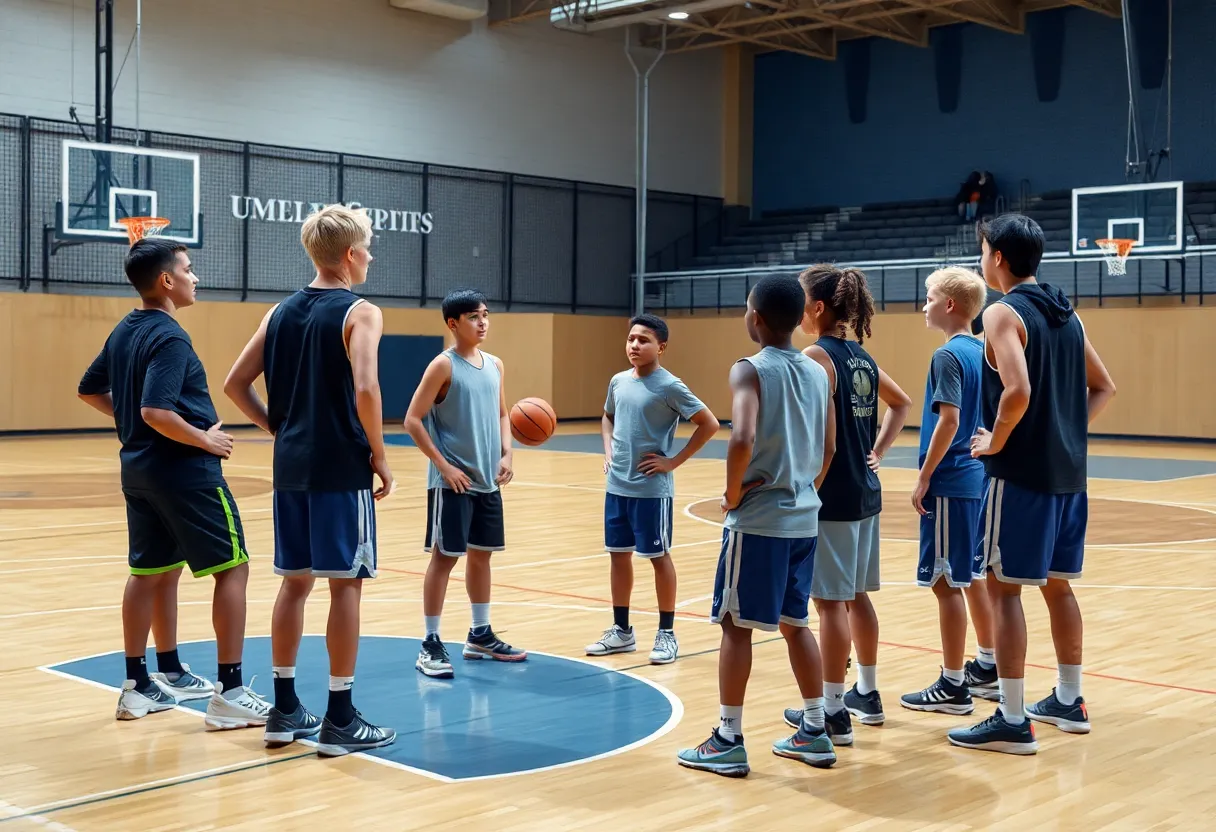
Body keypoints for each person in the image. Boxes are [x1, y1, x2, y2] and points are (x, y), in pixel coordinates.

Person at [224, 203, 396, 757]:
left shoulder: (277, 313)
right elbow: (367, 390)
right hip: (339, 466)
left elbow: (234, 383)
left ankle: (283, 708)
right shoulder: (361, 312)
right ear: (350, 255)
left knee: (294, 582)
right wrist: (380, 454)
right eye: (367, 248)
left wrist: (282, 427)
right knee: (346, 584)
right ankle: (341, 717)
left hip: (291, 467)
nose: (370, 257)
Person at [77, 237, 267, 730]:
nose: (195, 277)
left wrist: (133, 426)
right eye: (189, 269)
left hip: (139, 473)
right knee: (234, 569)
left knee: (152, 572)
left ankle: (139, 686)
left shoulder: (125, 331)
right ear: (167, 280)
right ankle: (230, 691)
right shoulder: (170, 337)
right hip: (184, 473)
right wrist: (204, 441)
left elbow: (90, 389)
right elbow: (156, 411)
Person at [948, 214, 1115, 755]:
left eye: (982, 250)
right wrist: (1061, 433)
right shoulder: (1069, 314)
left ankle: (1013, 718)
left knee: (1002, 589)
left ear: (996, 257)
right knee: (1058, 586)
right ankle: (1069, 699)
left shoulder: (1002, 312)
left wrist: (997, 440)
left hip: (1021, 478)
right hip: (1069, 478)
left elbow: (1016, 390)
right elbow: (1104, 387)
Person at [676, 274, 836, 777]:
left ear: (757, 318)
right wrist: (805, 487)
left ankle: (727, 737)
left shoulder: (749, 369)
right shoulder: (815, 370)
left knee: (734, 625)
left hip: (760, 521)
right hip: (805, 519)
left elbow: (741, 435)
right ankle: (815, 729)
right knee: (796, 624)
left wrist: (731, 494)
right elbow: (829, 448)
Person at [786, 264, 911, 745]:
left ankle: (833, 711)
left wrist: (805, 486)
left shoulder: (817, 356)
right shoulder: (860, 357)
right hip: (865, 493)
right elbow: (901, 403)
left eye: (801, 301)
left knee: (829, 603)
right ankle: (867, 693)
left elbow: (822, 439)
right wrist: (877, 451)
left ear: (817, 308)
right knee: (856, 597)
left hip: (832, 496)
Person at [405, 289, 524, 679]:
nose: (483, 322)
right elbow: (412, 420)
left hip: (487, 481)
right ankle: (431, 640)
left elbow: (504, 413)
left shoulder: (496, 365)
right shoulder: (443, 366)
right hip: (451, 483)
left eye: (486, 315)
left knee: (481, 556)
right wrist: (445, 467)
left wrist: (507, 453)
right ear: (453, 324)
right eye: (474, 317)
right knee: (444, 558)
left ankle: (479, 633)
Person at [587, 313, 719, 665]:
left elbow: (709, 424)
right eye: (631, 339)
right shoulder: (618, 381)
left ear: (661, 347)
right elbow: (608, 416)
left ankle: (666, 633)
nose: (634, 345)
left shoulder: (670, 386)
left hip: (651, 490)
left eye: (643, 340)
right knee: (618, 556)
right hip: (617, 486)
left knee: (658, 558)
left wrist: (672, 462)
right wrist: (609, 450)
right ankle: (622, 631)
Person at [899, 267, 997, 715]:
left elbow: (950, 420)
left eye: (929, 297)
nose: (924, 305)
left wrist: (923, 477)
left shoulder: (948, 356)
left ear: (950, 305)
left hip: (951, 480)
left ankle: (954, 685)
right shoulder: (987, 351)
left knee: (945, 581)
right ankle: (989, 667)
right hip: (976, 477)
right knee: (971, 573)